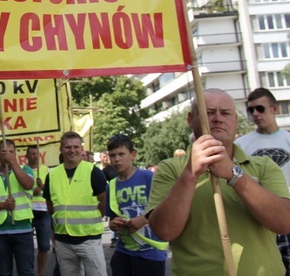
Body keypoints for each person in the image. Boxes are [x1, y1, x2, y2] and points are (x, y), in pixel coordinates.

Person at [147, 88, 290, 275]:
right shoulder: (171, 169)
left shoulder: (264, 165)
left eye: (226, 113)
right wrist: (190, 174)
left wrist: (233, 174)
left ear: (235, 121)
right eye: (208, 112)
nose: (217, 118)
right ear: (191, 119)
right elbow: (164, 231)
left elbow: (284, 222)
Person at [235, 87, 290, 274]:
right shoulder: (241, 145)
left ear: (274, 109)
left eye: (260, 108)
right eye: (251, 110)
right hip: (258, 218)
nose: (255, 114)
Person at [43, 131, 108, 276]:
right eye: (68, 147)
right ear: (61, 149)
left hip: (89, 239)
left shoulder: (93, 171)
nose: (72, 150)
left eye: (75, 147)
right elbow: (50, 205)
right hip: (63, 240)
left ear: (81, 149)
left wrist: (94, 218)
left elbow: (104, 200)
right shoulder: (52, 175)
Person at [105, 135, 166, 276]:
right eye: (112, 155)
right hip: (123, 251)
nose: (116, 159)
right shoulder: (112, 185)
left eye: (121, 154)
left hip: (151, 251)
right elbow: (112, 218)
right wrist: (113, 224)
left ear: (133, 155)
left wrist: (144, 219)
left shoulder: (147, 177)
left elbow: (164, 206)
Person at [0, 139, 35, 276]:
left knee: (26, 272)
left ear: (15, 154)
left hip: (22, 230)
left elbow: (28, 184)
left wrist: (13, 163)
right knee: (3, 272)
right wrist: (2, 205)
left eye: (11, 152)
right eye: (4, 151)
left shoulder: (25, 170)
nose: (7, 155)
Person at [26, 145, 52, 276]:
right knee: (27, 247)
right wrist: (32, 191)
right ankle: (29, 272)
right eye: (31, 154)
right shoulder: (22, 170)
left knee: (44, 246)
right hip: (28, 212)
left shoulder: (46, 170)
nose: (34, 156)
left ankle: (40, 273)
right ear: (26, 156)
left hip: (43, 212)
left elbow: (53, 188)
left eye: (36, 154)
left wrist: (42, 186)